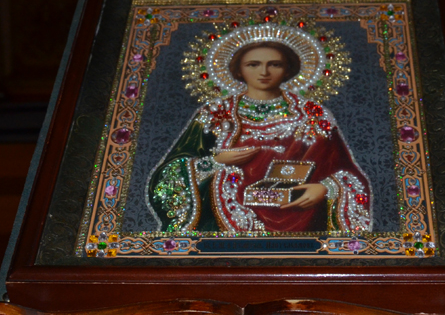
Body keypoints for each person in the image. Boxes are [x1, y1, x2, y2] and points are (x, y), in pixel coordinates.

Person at [148, 28, 372, 234]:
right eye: (253, 65)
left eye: (275, 64)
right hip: (227, 220)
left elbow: (347, 172)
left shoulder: (313, 115)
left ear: (288, 70)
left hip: (303, 216)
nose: (264, 72)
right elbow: (167, 175)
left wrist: (326, 188)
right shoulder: (216, 114)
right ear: (238, 70)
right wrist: (214, 162)